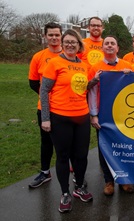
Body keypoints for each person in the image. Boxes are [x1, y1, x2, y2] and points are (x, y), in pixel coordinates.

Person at [40, 29, 93, 213]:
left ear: (79, 45)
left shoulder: (85, 65)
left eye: (74, 42)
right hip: (60, 117)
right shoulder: (54, 63)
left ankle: (79, 187)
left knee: (81, 156)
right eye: (67, 42)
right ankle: (65, 193)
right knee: (63, 156)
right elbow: (44, 91)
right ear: (62, 44)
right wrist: (45, 118)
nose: (71, 45)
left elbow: (84, 86)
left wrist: (97, 79)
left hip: (82, 117)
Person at [87, 35, 134, 195]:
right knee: (104, 149)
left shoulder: (127, 65)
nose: (109, 46)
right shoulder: (95, 68)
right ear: (102, 48)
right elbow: (92, 92)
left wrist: (130, 75)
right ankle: (108, 181)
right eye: (106, 43)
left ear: (117, 48)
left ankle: (124, 179)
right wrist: (94, 115)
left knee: (124, 147)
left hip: (124, 115)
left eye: (112, 43)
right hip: (103, 114)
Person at [28, 22, 62, 188]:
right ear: (45, 36)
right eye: (51, 35)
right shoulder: (38, 57)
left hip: (65, 109)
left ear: (61, 36)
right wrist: (48, 98)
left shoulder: (71, 55)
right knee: (46, 141)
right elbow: (33, 83)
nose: (54, 38)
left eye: (57, 34)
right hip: (45, 108)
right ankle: (45, 172)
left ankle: (73, 171)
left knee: (67, 141)